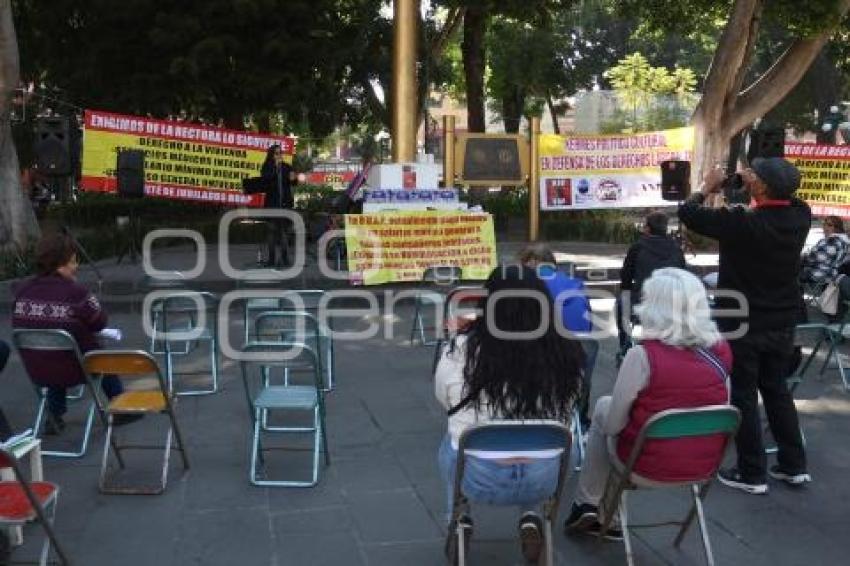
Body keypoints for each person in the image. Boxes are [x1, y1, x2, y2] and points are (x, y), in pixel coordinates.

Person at [678, 157, 811, 494]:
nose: (748, 176)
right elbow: (786, 198)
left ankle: (752, 472)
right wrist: (746, 182)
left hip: (742, 322)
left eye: (754, 175)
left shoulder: (742, 223)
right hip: (783, 319)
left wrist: (708, 186)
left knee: (743, 395)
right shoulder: (800, 216)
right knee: (777, 389)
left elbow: (688, 213)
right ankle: (794, 465)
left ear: (762, 187)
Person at [565, 268, 731, 537]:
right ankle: (604, 513)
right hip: (703, 465)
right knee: (619, 418)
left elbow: (613, 426)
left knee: (605, 412)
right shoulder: (721, 351)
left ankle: (589, 503)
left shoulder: (642, 356)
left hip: (646, 465)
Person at [435, 265, 584, 563]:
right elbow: (574, 401)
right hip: (547, 476)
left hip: (479, 476)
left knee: (451, 442)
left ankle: (459, 516)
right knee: (548, 437)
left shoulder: (461, 348)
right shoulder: (567, 352)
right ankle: (531, 516)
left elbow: (444, 398)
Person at [12, 232, 139, 432]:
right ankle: (121, 405)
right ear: (59, 263)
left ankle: (54, 414)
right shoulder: (76, 293)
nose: (76, 266)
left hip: (37, 369)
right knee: (95, 350)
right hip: (73, 368)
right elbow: (100, 322)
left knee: (55, 347)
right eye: (72, 261)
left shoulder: (22, 291)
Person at [518, 244, 597, 429]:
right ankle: (581, 419)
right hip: (575, 368)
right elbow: (589, 325)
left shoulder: (526, 289)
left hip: (539, 369)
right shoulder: (576, 286)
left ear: (530, 263)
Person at [617, 211, 686, 354]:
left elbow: (626, 278)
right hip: (672, 302)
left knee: (620, 305)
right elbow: (684, 275)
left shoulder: (638, 247)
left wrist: (627, 291)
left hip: (644, 303)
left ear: (648, 228)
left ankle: (624, 346)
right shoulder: (676, 248)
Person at [260, 144, 297, 267]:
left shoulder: (286, 167)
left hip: (284, 204)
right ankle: (271, 259)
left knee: (283, 232)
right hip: (272, 204)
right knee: (271, 232)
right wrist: (275, 168)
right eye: (276, 153)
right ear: (271, 155)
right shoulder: (267, 167)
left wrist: (294, 178)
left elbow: (294, 182)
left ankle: (285, 258)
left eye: (280, 153)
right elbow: (266, 180)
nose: (279, 155)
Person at [799, 215, 850, 291]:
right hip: (830, 277)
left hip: (819, 276)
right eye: (824, 224)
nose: (825, 227)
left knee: (789, 273)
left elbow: (815, 259)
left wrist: (803, 258)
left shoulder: (831, 241)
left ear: (837, 228)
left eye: (829, 225)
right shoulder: (845, 242)